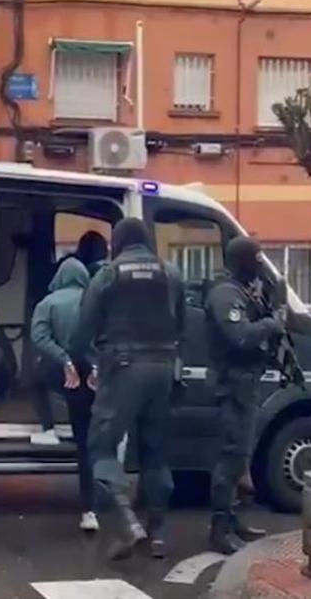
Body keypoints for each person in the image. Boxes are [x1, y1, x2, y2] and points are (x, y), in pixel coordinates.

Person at [72, 217, 184, 561]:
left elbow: (80, 335)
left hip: (121, 370)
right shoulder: (171, 273)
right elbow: (181, 326)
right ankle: (158, 534)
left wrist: (93, 362)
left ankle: (127, 524)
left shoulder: (108, 275)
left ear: (117, 243)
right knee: (154, 453)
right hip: (163, 369)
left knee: (101, 449)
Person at [204, 236, 286, 554]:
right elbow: (239, 336)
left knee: (240, 458)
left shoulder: (241, 291)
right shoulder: (225, 294)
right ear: (241, 261)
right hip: (231, 386)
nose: (259, 265)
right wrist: (270, 324)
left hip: (244, 384)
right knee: (230, 457)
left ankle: (233, 519)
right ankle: (219, 528)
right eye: (255, 259)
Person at [30, 257, 100, 533]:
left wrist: (63, 360)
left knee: (36, 378)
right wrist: (96, 365)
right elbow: (106, 337)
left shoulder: (47, 303)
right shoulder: (94, 302)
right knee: (89, 443)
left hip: (63, 375)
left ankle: (48, 425)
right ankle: (92, 508)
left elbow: (38, 337)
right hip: (93, 377)